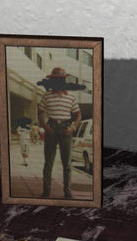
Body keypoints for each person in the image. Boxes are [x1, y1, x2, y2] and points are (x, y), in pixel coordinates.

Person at [38, 67, 82, 198]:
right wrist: (45, 127)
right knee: (48, 163)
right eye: (55, 79)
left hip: (66, 129)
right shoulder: (46, 96)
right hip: (51, 128)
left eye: (60, 79)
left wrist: (73, 128)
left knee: (67, 164)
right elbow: (40, 113)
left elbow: (78, 115)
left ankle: (67, 192)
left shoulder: (71, 97)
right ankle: (46, 192)